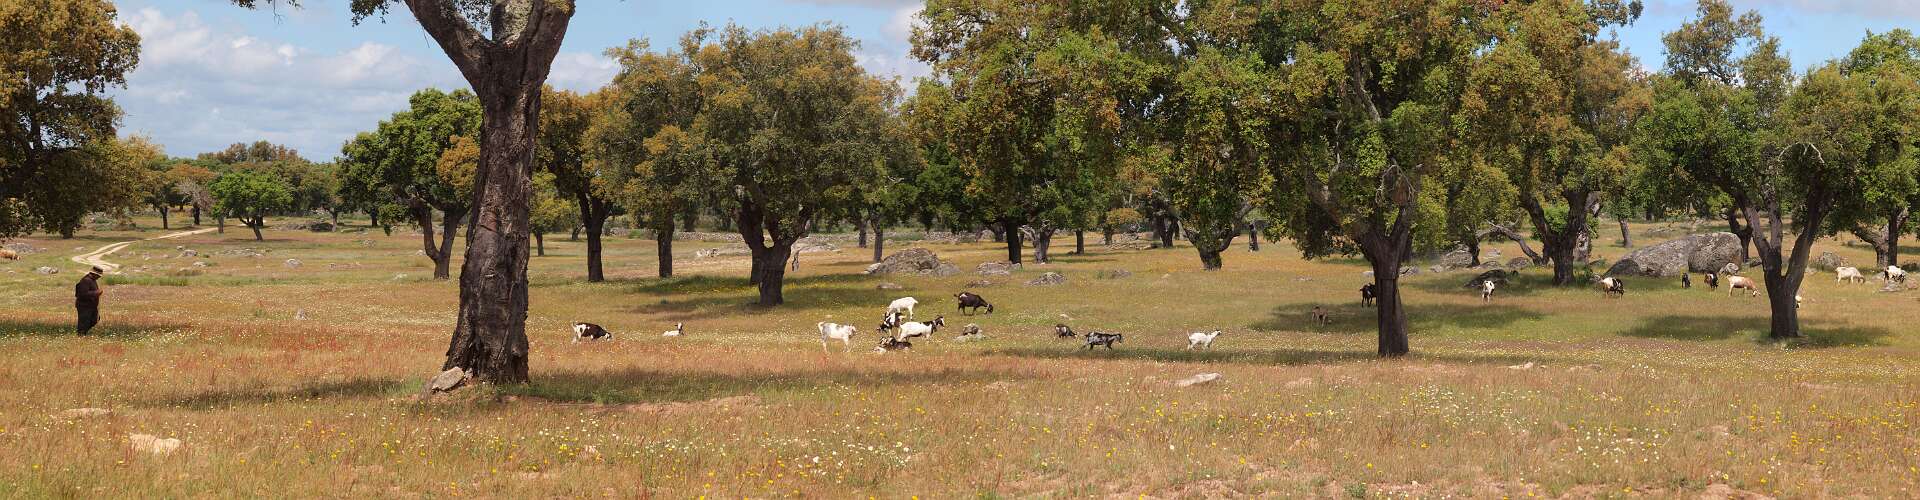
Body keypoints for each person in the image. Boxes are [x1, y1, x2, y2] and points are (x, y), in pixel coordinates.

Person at [75, 266, 104, 335]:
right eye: (98, 275)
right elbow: (82, 294)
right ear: (94, 274)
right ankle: (81, 334)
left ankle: (83, 333)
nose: (99, 277)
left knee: (95, 319)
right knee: (84, 322)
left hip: (91, 306)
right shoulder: (86, 280)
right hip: (84, 306)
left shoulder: (92, 280)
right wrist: (97, 293)